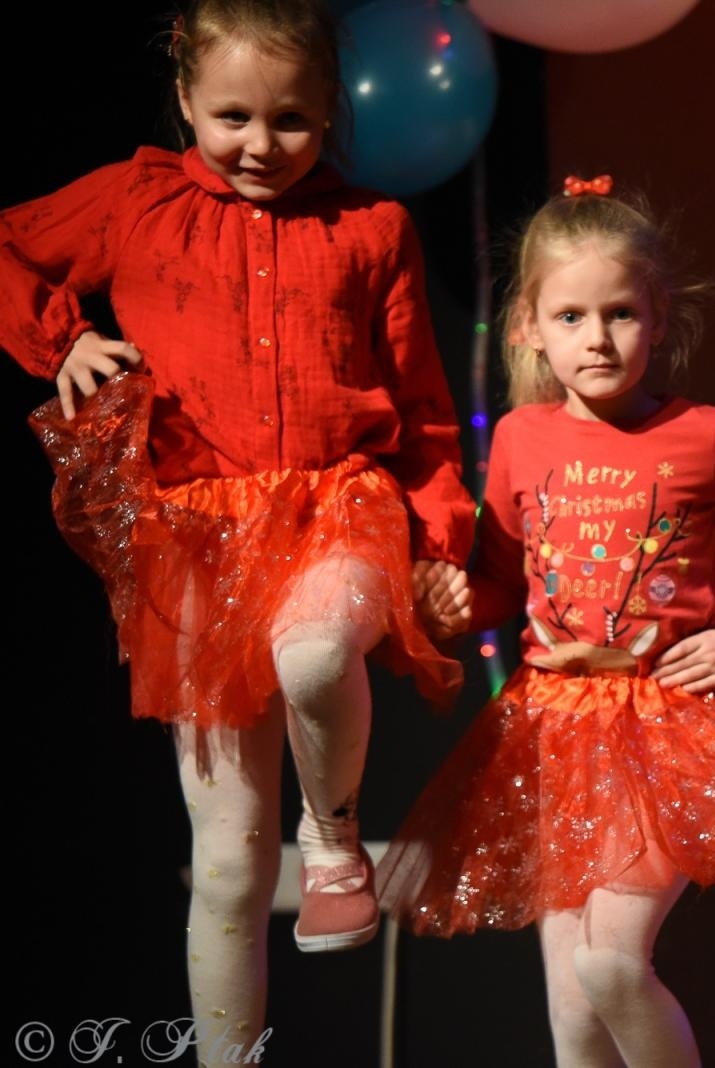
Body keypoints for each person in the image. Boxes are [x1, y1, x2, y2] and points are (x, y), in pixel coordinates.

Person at [0, 0, 474, 1052]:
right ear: (183, 100)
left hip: (334, 506)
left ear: (331, 113)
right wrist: (63, 341)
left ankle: (336, 840)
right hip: (199, 540)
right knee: (223, 860)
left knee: (313, 658)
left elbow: (428, 413)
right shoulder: (136, 201)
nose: (262, 145)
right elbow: (14, 248)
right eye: (233, 117)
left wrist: (441, 542)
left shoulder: (372, 229)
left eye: (293, 121)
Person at [379, 177, 715, 1067]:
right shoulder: (519, 436)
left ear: (660, 318)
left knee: (610, 962)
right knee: (569, 997)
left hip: (668, 726)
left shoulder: (702, 434)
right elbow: (504, 584)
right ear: (530, 323)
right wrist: (449, 602)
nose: (597, 338)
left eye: (621, 314)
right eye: (572, 317)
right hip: (556, 728)